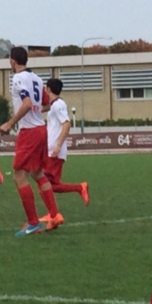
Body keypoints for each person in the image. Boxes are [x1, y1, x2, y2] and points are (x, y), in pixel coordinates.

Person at [0, 47, 62, 236]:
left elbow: (27, 104)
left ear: (12, 61)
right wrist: (35, 111)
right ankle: (54, 215)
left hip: (29, 132)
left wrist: (10, 123)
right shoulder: (37, 78)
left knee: (19, 175)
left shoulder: (18, 78)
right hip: (41, 129)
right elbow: (46, 103)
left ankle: (33, 223)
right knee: (37, 173)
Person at [39, 79, 89, 219]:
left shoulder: (58, 105)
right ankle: (79, 188)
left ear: (49, 89)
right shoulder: (54, 104)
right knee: (50, 185)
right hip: (51, 151)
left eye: (45, 89)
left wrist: (58, 146)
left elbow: (66, 124)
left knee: (44, 183)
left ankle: (53, 214)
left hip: (55, 152)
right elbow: (44, 108)